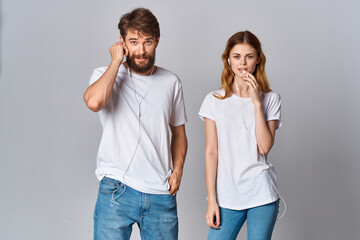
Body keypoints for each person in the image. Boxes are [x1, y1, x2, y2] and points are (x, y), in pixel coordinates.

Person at [83, 8, 188, 240]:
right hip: (116, 190)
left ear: (157, 40)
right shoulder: (105, 74)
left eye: (147, 42)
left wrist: (178, 170)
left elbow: (179, 132)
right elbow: (94, 102)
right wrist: (115, 61)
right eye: (133, 42)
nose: (141, 50)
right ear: (122, 42)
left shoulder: (171, 82)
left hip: (161, 193)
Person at [198, 31, 283, 240]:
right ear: (228, 59)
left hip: (261, 193)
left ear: (258, 59)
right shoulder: (214, 100)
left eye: (249, 56)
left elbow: (264, 147)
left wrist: (256, 103)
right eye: (237, 56)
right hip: (227, 196)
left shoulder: (270, 99)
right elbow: (211, 152)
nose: (242, 63)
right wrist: (211, 201)